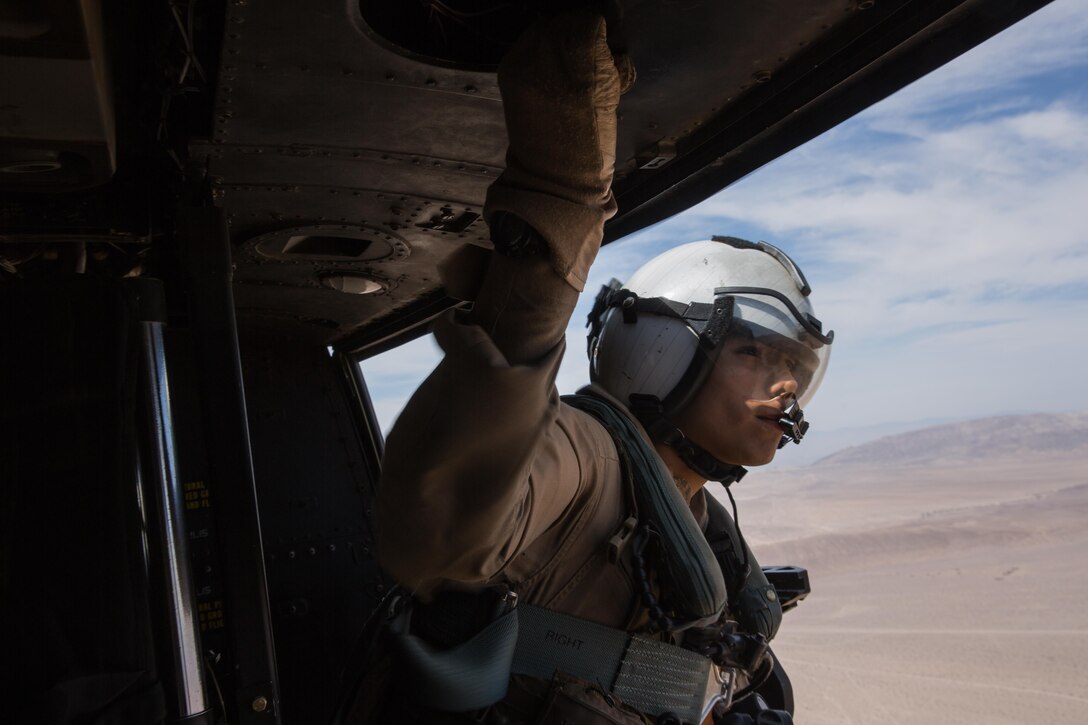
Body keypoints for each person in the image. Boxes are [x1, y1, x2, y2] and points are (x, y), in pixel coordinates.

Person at [364, 10, 833, 725]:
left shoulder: (695, 515)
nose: (786, 384)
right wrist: (559, 204)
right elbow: (441, 524)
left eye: (794, 365)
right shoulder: (586, 457)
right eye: (754, 353)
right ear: (664, 353)